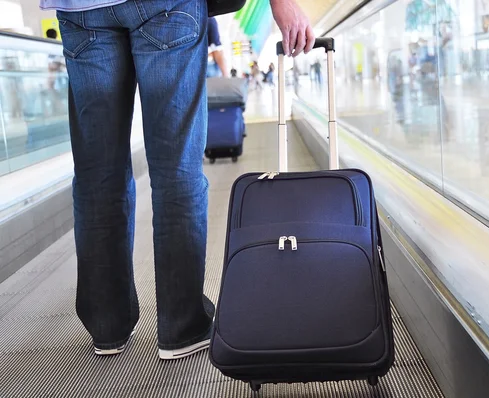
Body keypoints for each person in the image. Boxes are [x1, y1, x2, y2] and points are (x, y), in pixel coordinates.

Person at [38, 0, 315, 360]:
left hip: (81, 9)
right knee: (176, 170)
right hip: (165, 8)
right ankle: (182, 327)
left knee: (97, 176)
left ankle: (107, 326)